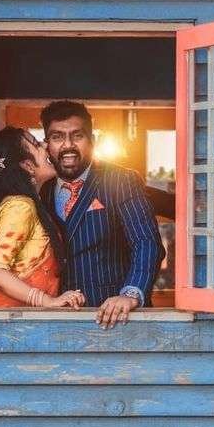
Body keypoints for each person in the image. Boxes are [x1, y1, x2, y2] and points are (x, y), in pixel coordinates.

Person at [39, 100, 165, 329]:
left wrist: (130, 294)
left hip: (115, 319)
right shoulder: (42, 191)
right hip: (57, 320)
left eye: (77, 136)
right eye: (57, 137)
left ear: (92, 140)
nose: (68, 145)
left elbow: (146, 242)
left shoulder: (120, 180)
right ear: (47, 144)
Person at [0, 127, 85, 310]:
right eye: (36, 144)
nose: (45, 145)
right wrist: (46, 301)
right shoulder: (20, 206)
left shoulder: (24, 204)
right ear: (28, 166)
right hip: (11, 321)